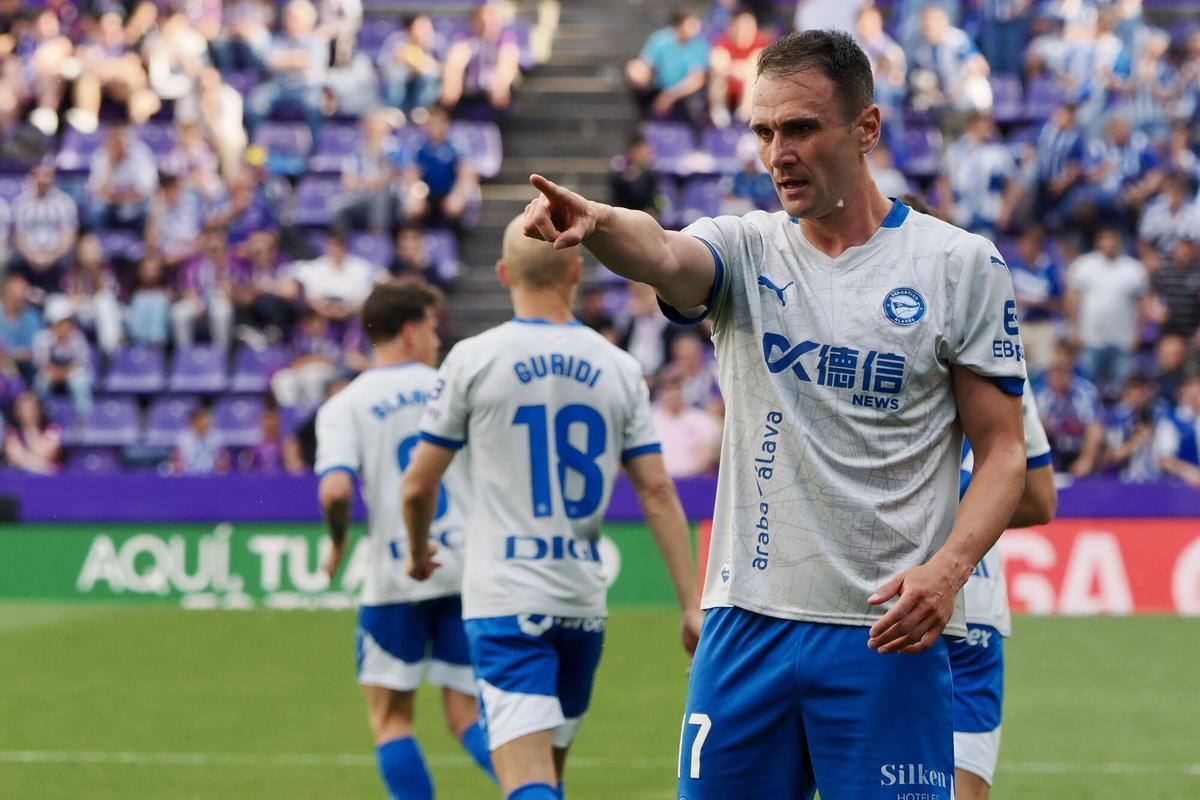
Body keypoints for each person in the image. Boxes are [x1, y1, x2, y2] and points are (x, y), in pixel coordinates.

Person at [520, 29, 1026, 799]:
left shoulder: (960, 265)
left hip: (885, 635)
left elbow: (1003, 453)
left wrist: (949, 570)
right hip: (745, 627)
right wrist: (601, 222)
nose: (775, 153)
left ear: (866, 129)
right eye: (762, 130)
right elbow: (662, 251)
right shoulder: (746, 248)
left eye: (799, 129)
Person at [401, 216, 702, 800]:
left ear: (502, 274)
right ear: (574, 271)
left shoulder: (473, 359)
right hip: (581, 605)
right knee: (550, 777)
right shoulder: (619, 368)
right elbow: (657, 491)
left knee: (528, 783)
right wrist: (690, 603)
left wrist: (417, 553)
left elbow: (417, 486)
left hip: (506, 601)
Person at [315, 279, 494, 799]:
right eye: (434, 329)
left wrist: (337, 543)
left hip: (395, 575)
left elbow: (334, 492)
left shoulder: (345, 405)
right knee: (466, 716)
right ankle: (536, 791)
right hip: (465, 571)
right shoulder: (452, 388)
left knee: (391, 718)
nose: (438, 340)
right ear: (411, 332)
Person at [952, 376, 1056, 800]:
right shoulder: (1002, 355)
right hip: (971, 594)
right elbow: (1038, 500)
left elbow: (1040, 502)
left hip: (872, 593)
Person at [625, 7, 710, 123]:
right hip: (659, 87)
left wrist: (669, 96)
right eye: (690, 24)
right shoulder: (660, 40)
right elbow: (645, 63)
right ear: (678, 25)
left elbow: (697, 80)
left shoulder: (699, 45)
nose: (695, 28)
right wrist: (638, 73)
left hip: (686, 94)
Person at [9, 161, 78, 296]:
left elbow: (68, 237)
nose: (41, 180)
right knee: (14, 259)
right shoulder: (20, 203)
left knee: (68, 259)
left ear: (53, 178)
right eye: (37, 175)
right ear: (30, 177)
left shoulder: (65, 202)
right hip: (28, 257)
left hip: (56, 256)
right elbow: (18, 237)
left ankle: (59, 297)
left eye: (46, 175)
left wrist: (51, 256)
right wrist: (32, 256)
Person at [4, 390, 62, 475]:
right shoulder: (11, 432)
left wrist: (31, 429)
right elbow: (15, 457)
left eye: (31, 408)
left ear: (39, 409)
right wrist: (40, 465)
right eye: (22, 408)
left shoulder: (53, 428)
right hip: (22, 479)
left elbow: (47, 452)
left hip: (52, 479)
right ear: (16, 412)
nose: (27, 412)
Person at [170, 405, 231, 475]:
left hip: (212, 477)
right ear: (194, 422)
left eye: (208, 423)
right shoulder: (182, 439)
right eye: (202, 422)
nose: (205, 426)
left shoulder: (218, 438)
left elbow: (223, 463)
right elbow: (177, 464)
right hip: (187, 477)